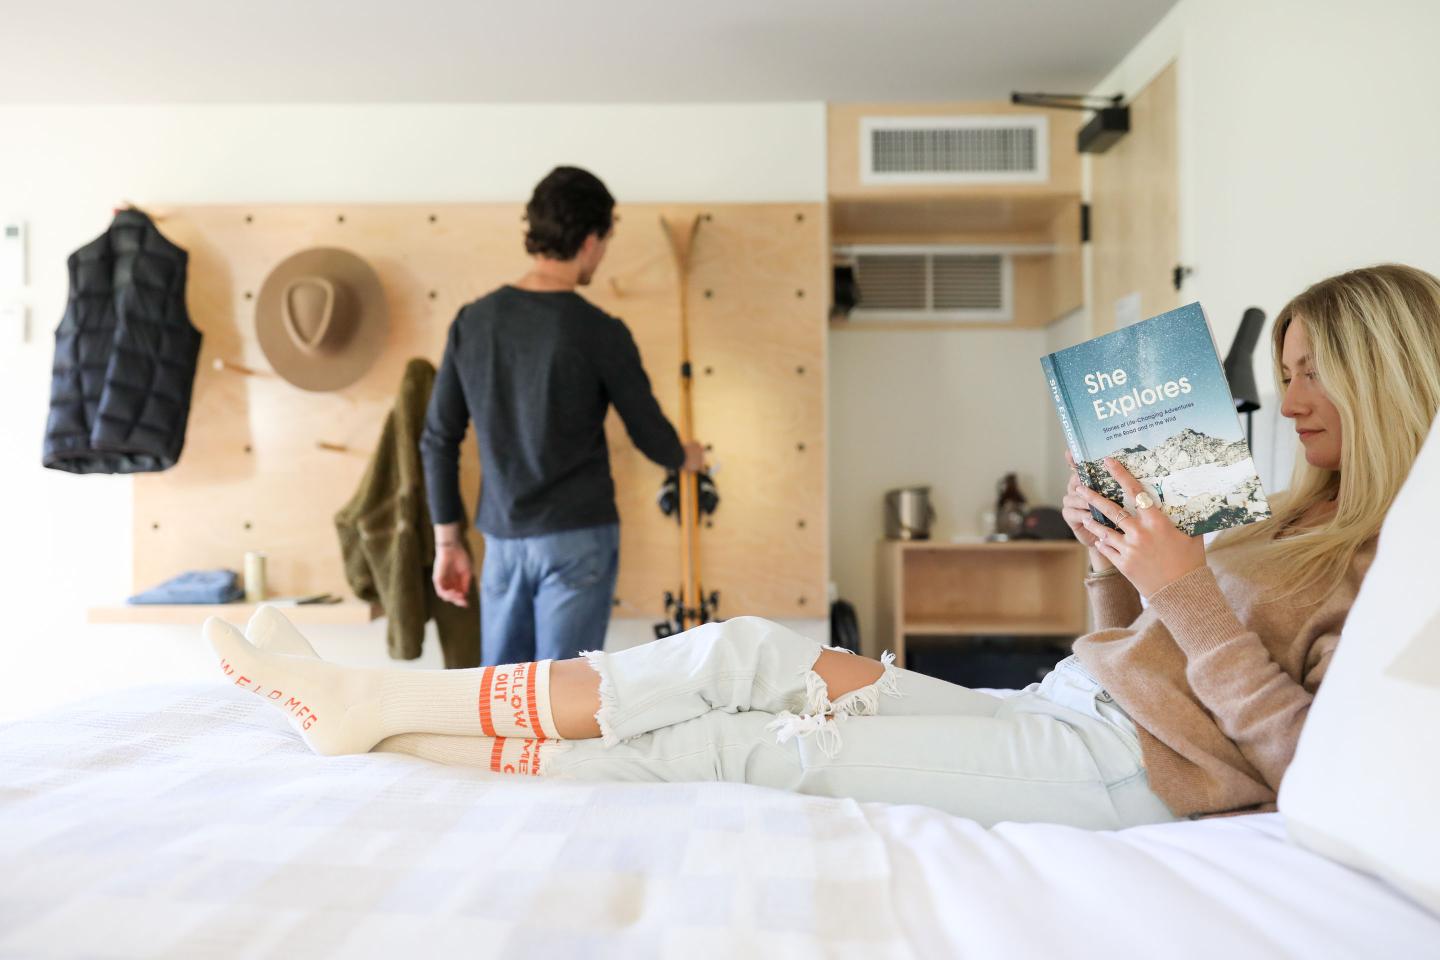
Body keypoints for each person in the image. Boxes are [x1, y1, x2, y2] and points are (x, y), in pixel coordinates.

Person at [210, 264, 1440, 828]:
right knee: (743, 650)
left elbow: (1307, 762)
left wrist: (1190, 595)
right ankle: (375, 707)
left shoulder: (1401, 561)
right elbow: (1151, 640)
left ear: (1392, 372)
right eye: (1281, 374)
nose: (1286, 405)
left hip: (1130, 777)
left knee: (739, 747)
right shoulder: (1293, 515)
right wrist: (1118, 559)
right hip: (1078, 706)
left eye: (1311, 373)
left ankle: (377, 713)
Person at [421, 166, 705, 666]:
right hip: (577, 539)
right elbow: (649, 434)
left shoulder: (474, 322)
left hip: (503, 542)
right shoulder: (599, 330)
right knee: (565, 693)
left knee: (503, 695)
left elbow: (438, 439)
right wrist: (685, 456)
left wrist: (448, 541)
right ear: (591, 240)